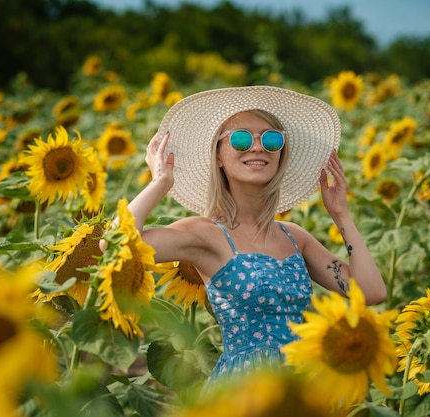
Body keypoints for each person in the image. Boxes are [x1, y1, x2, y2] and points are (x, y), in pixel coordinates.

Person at [119, 85, 387, 386]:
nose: (257, 147)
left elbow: (371, 293)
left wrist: (341, 214)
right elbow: (114, 245)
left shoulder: (294, 237)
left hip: (300, 387)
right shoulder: (205, 235)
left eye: (272, 140)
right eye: (241, 139)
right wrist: (159, 183)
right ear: (218, 155)